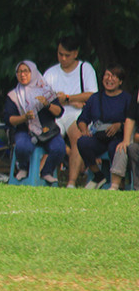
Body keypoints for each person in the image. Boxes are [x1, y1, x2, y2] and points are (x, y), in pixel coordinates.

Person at [42, 35, 98, 186]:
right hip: (56, 115)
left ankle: (71, 182)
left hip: (76, 114)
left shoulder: (85, 69)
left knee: (77, 136)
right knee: (48, 136)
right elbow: (41, 98)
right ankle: (43, 178)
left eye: (67, 55)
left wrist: (68, 98)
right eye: (60, 54)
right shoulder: (51, 73)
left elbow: (92, 95)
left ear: (75, 53)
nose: (63, 58)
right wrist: (70, 100)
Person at [4, 61, 65, 185]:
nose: (22, 74)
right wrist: (24, 118)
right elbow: (9, 119)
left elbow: (59, 112)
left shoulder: (46, 91)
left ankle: (47, 172)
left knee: (59, 147)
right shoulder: (14, 95)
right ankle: (23, 167)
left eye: (26, 71)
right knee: (22, 147)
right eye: (19, 71)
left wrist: (47, 105)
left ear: (34, 72)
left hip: (47, 131)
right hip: (25, 131)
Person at [75, 65, 133, 190]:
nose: (109, 79)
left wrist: (119, 126)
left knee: (116, 148)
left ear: (120, 81)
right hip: (99, 136)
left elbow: (132, 121)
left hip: (118, 137)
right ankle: (98, 175)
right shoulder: (95, 98)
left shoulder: (127, 99)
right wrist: (84, 130)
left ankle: (119, 183)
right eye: (107, 75)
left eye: (114, 76)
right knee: (82, 142)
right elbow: (82, 119)